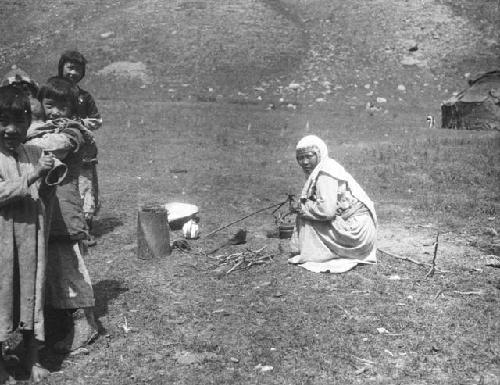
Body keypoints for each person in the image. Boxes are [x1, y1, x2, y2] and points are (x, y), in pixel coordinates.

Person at [27, 76, 98, 353]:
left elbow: (52, 145)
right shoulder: (40, 127)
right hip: (45, 211)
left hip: (64, 213)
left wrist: (25, 138)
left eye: (62, 106)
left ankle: (85, 324)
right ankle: (60, 326)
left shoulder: (73, 130)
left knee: (70, 268)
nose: (55, 112)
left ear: (72, 109)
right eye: (49, 105)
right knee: (53, 270)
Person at [0, 85, 53, 383]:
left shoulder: (32, 151)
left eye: (19, 122)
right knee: (2, 296)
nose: (11, 129)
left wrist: (48, 172)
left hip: (31, 239)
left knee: (32, 294)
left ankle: (33, 358)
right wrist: (34, 174)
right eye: (3, 121)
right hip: (2, 243)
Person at [288, 135, 377, 273]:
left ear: (319, 154)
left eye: (309, 156)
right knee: (306, 210)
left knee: (305, 215)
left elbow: (326, 212)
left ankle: (317, 255)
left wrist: (301, 208)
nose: (305, 162)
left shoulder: (325, 174)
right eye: (300, 158)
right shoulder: (327, 166)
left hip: (357, 233)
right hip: (362, 232)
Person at [58, 50, 102, 246]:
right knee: (65, 188)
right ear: (61, 68)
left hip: (84, 153)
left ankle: (85, 230)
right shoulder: (55, 92)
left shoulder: (85, 96)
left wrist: (86, 123)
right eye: (69, 68)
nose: (72, 73)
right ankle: (65, 227)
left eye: (77, 69)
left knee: (86, 188)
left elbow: (97, 119)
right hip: (62, 151)